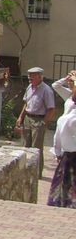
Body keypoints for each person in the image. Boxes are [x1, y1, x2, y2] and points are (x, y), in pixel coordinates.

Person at [48, 70, 76, 207]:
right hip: (67, 127)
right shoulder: (69, 96)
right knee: (65, 177)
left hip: (69, 127)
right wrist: (66, 78)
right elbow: (55, 85)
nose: (70, 83)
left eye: (72, 82)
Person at [15, 66, 56, 159]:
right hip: (27, 119)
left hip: (38, 120)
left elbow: (51, 109)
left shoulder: (46, 90)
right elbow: (26, 104)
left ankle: (37, 173)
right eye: (29, 75)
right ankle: (26, 171)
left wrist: (43, 123)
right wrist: (20, 117)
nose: (29, 77)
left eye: (32, 75)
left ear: (40, 77)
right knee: (25, 146)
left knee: (36, 149)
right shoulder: (29, 87)